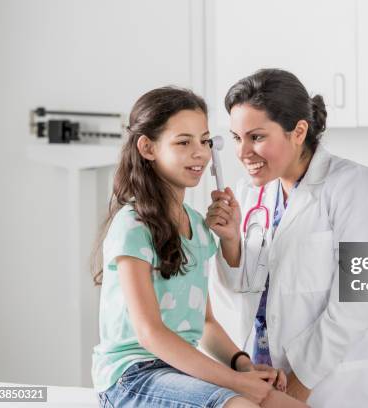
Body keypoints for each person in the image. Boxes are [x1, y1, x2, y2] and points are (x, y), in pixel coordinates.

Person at [91, 86, 308, 408]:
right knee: (244, 405)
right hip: (132, 377)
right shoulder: (132, 225)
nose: (201, 153)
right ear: (147, 148)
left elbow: (204, 323)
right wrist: (237, 384)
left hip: (180, 370)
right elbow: (150, 334)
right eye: (183, 142)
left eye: (205, 141)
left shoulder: (197, 227)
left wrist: (244, 366)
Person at [207, 69, 368, 407]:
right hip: (264, 377)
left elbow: (366, 296)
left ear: (298, 131)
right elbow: (240, 293)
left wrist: (301, 381)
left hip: (335, 384)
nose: (242, 152)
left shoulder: (355, 185)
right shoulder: (249, 194)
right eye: (237, 138)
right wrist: (229, 241)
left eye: (256, 137)